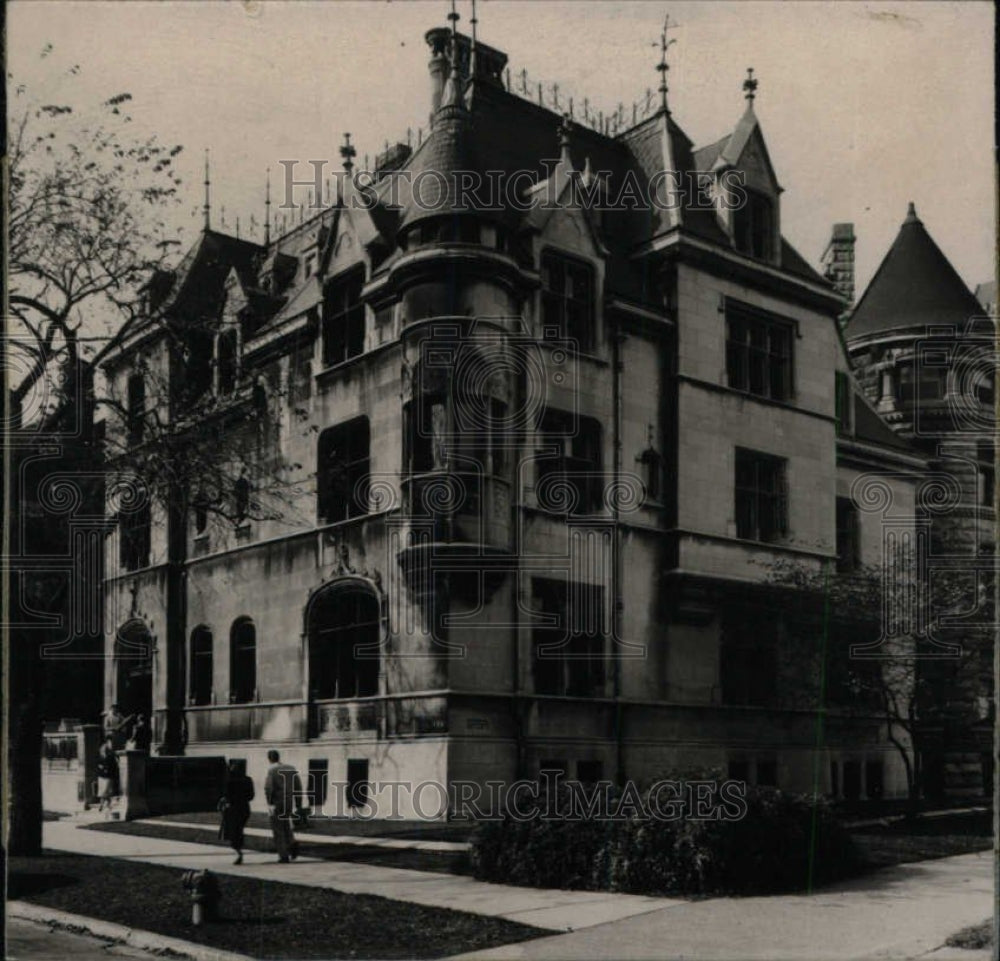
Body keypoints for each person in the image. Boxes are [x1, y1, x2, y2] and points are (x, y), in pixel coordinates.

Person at [264, 750, 302, 863]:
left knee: (278, 829)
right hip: (289, 802)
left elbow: (269, 788)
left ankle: (283, 855)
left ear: (269, 759)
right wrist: (298, 803)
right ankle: (292, 843)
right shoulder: (291, 768)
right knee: (286, 825)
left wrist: (270, 803)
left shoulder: (272, 771)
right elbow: (298, 786)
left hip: (277, 802)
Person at [218, 760, 255, 864]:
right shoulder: (248, 780)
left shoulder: (230, 781)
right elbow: (251, 796)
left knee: (234, 832)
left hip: (233, 809)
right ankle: (239, 850)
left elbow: (226, 795)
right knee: (238, 830)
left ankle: (238, 852)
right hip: (244, 808)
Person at [95, 738, 119, 812]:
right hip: (102, 776)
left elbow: (115, 766)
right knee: (105, 792)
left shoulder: (112, 755)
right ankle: (107, 806)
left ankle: (102, 805)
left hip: (109, 776)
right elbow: (98, 765)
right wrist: (102, 768)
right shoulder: (101, 757)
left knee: (105, 792)